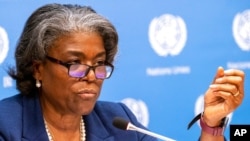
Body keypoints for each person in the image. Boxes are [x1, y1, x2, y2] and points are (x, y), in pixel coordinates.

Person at [0, 3, 245, 141]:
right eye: (75, 63)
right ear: (38, 69)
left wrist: (211, 125)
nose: (91, 76)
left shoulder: (118, 120)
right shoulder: (6, 125)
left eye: (99, 64)